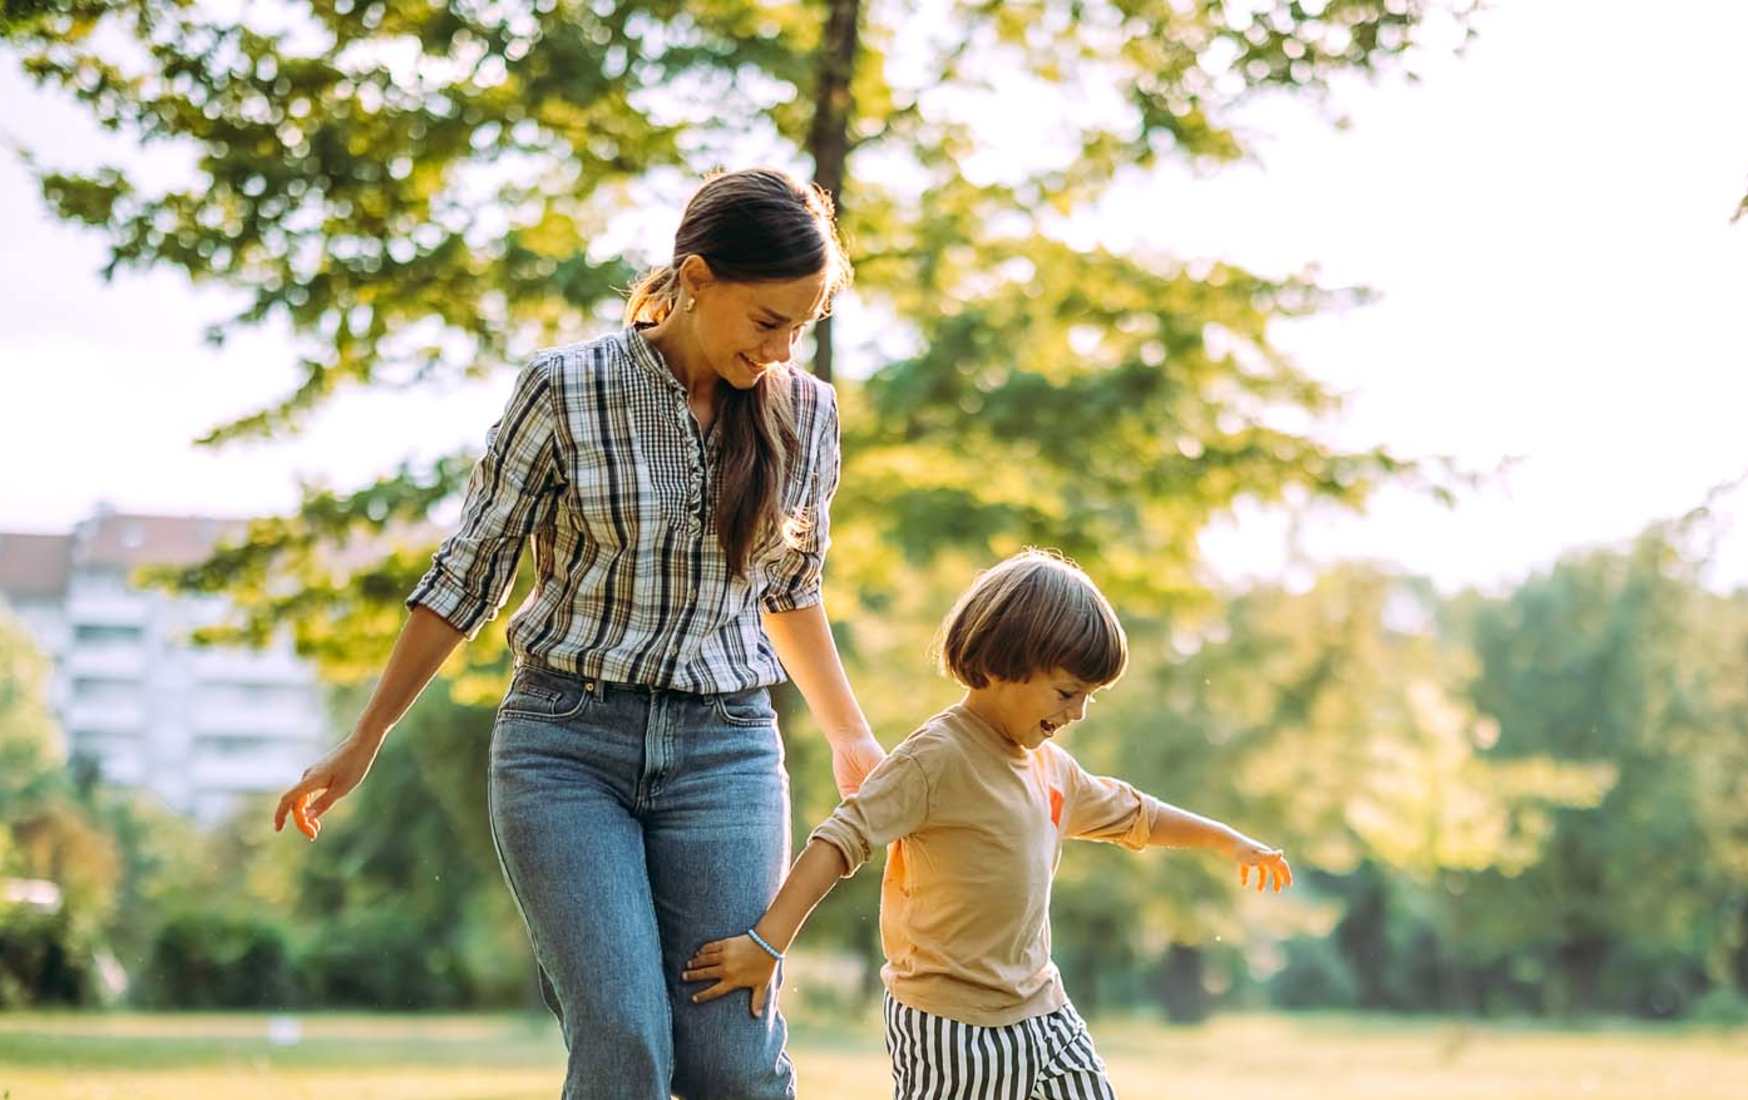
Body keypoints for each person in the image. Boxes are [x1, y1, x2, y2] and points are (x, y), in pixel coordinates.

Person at [271, 167, 886, 1100]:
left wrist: (850, 738)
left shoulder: (806, 413)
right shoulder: (566, 390)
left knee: (732, 1055)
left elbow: (791, 590)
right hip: (567, 747)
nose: (784, 347)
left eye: (802, 326)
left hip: (725, 751)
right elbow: (467, 575)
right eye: (768, 321)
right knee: (625, 1042)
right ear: (695, 277)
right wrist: (367, 736)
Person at [682, 548, 1293, 1099]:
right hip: (948, 1028)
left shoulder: (1051, 770)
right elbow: (838, 842)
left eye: (1088, 697)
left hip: (1043, 1014)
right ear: (1004, 663)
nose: (1078, 711)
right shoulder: (935, 759)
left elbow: (1137, 814)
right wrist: (768, 945)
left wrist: (1228, 841)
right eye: (1067, 692)